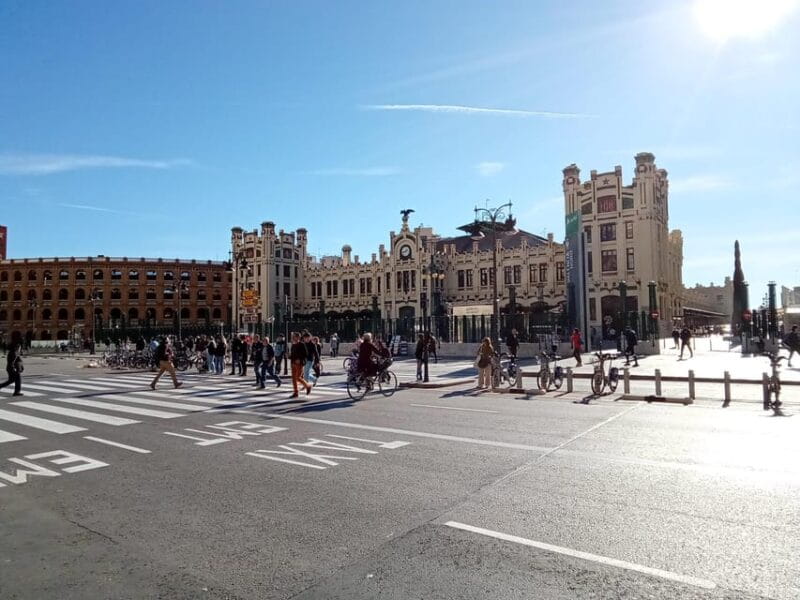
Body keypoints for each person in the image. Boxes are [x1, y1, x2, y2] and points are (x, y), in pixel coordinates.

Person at [289, 332, 311, 398]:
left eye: (295, 336)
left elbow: (306, 354)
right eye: (293, 336)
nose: (293, 338)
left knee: (298, 377)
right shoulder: (293, 345)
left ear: (298, 337)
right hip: (293, 363)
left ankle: (308, 386)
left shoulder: (302, 344)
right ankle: (296, 392)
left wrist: (300, 359)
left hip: (299, 363)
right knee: (294, 379)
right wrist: (289, 356)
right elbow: (292, 355)